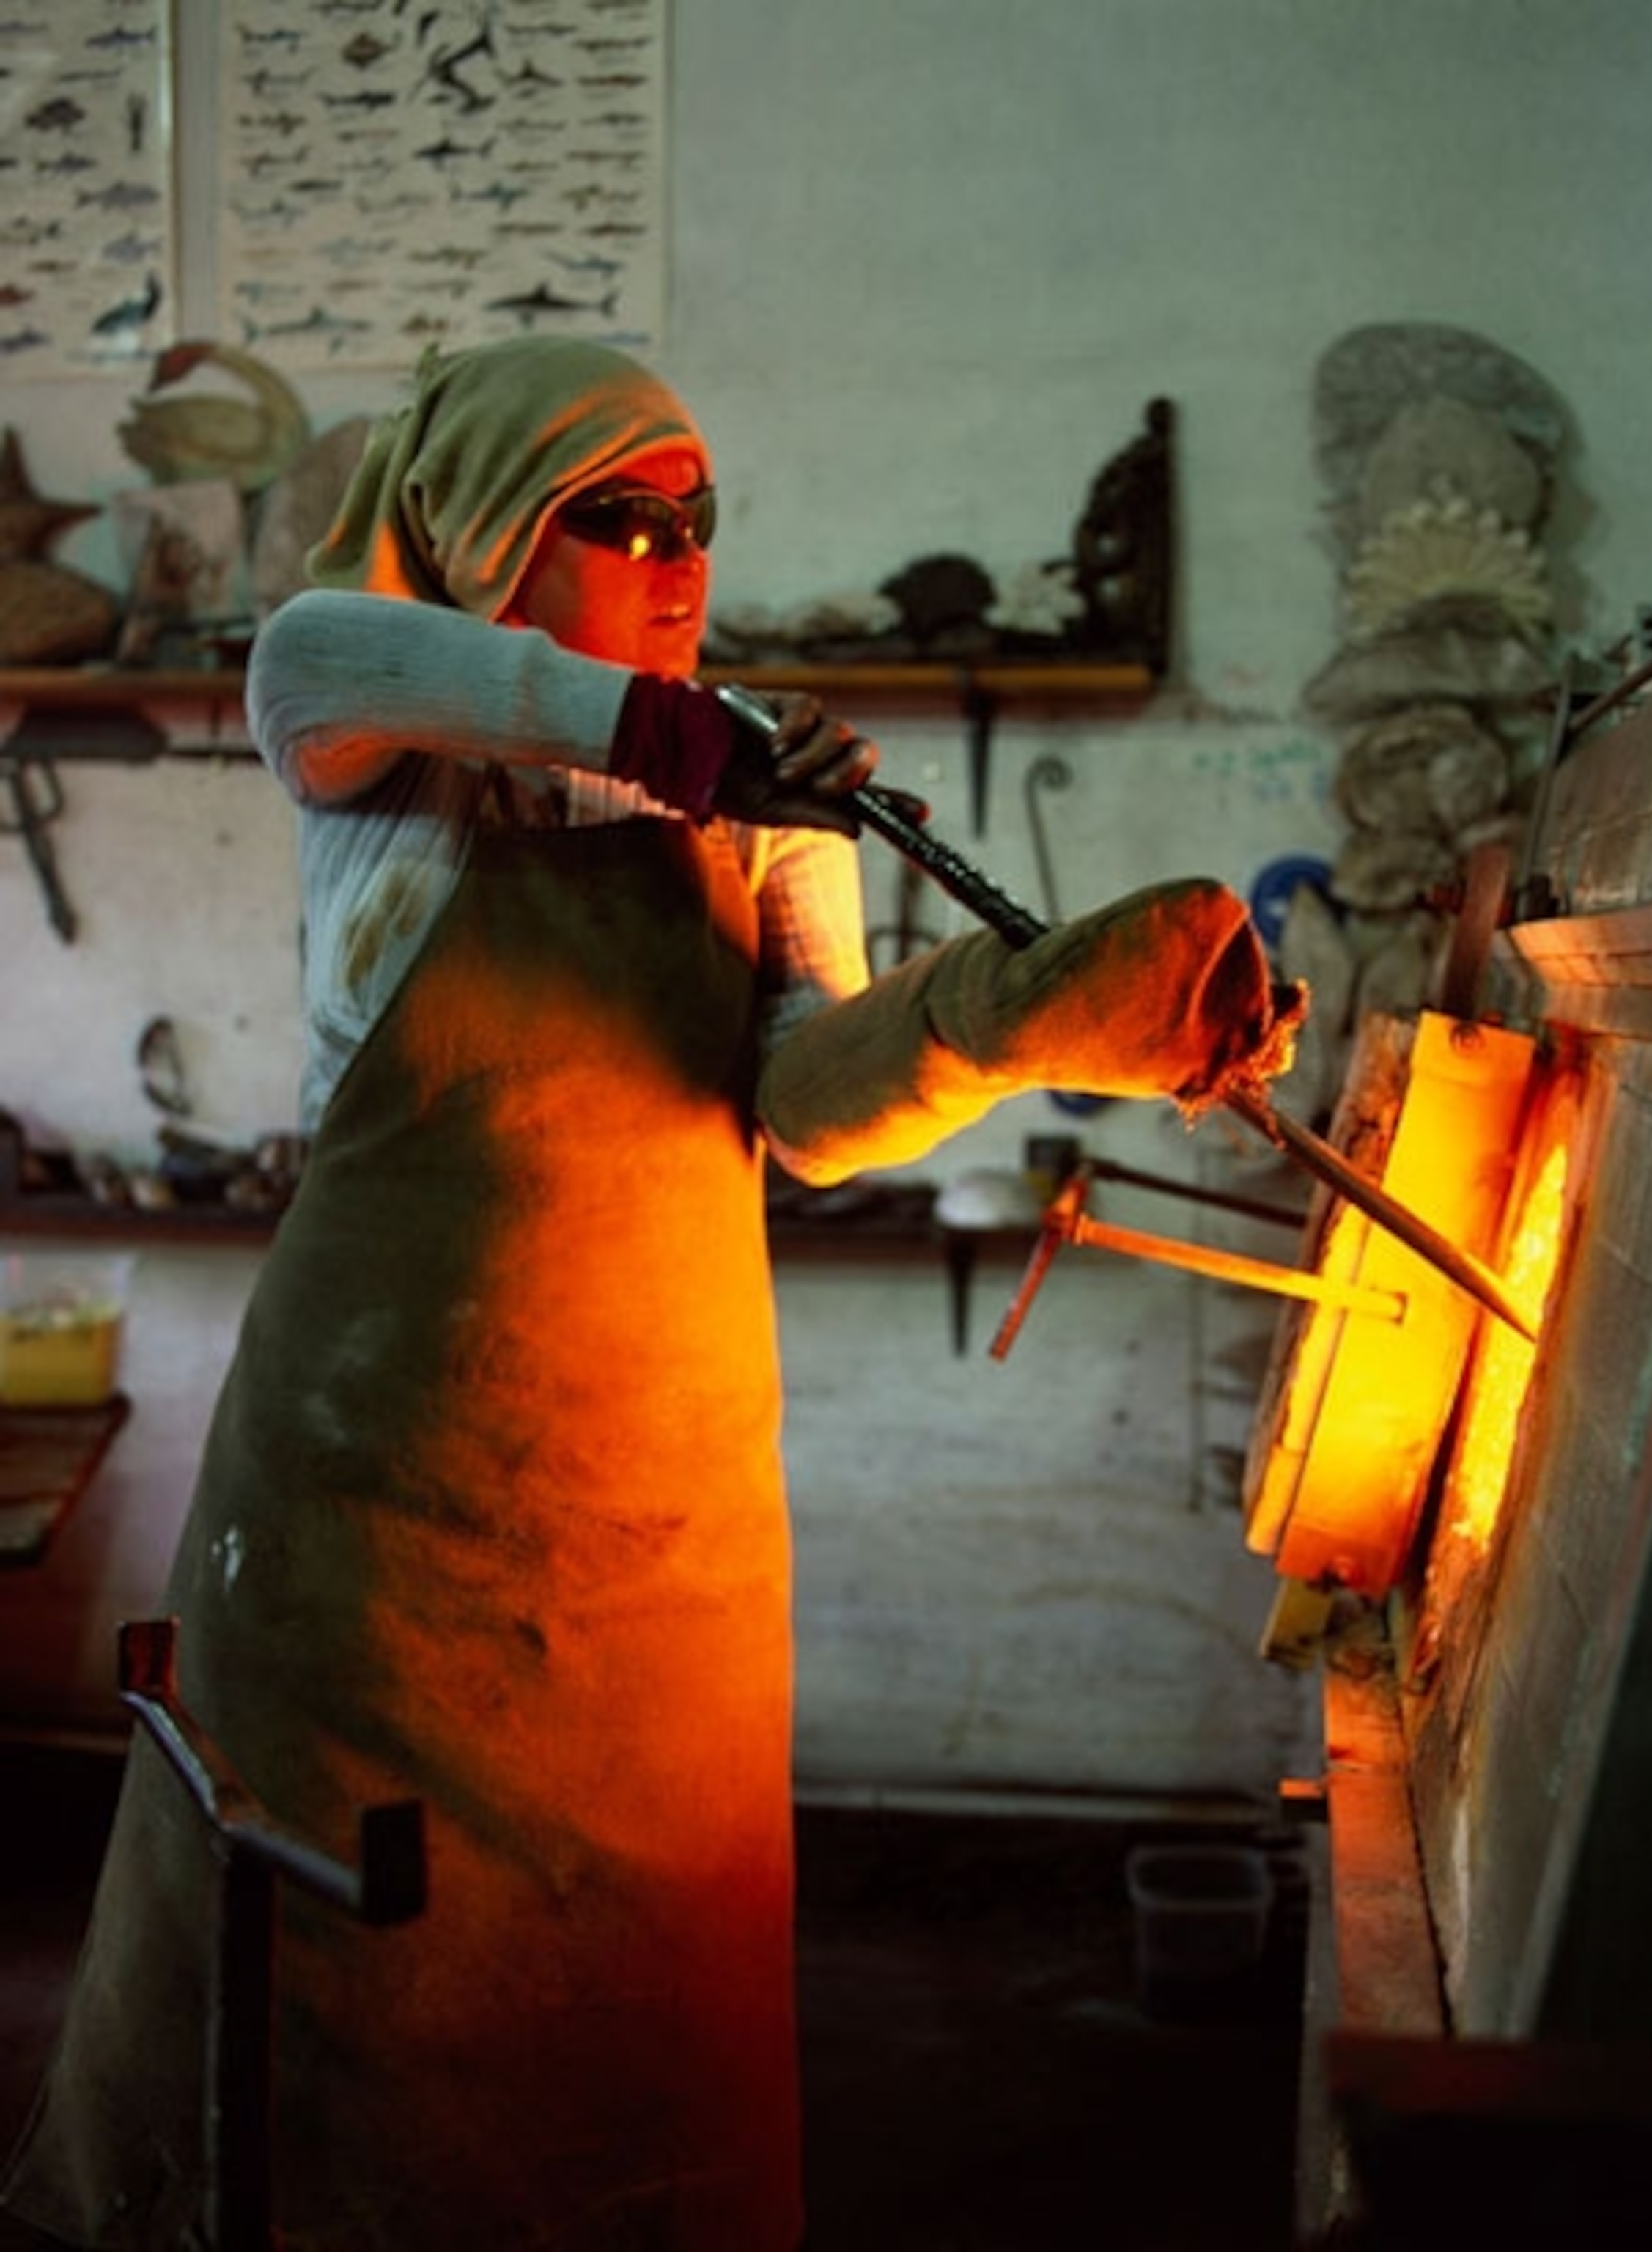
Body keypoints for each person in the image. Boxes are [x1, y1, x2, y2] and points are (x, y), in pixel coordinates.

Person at [1, 336, 1293, 2251]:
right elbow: (308, 668)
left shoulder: (763, 778)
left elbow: (808, 1106)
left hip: (659, 1538)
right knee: (319, 2045)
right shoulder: (401, 745)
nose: (675, 557)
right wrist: (673, 741)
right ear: (498, 539)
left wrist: (1012, 1021)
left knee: (633, 2062)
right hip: (365, 1522)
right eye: (617, 518)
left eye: (697, 519)